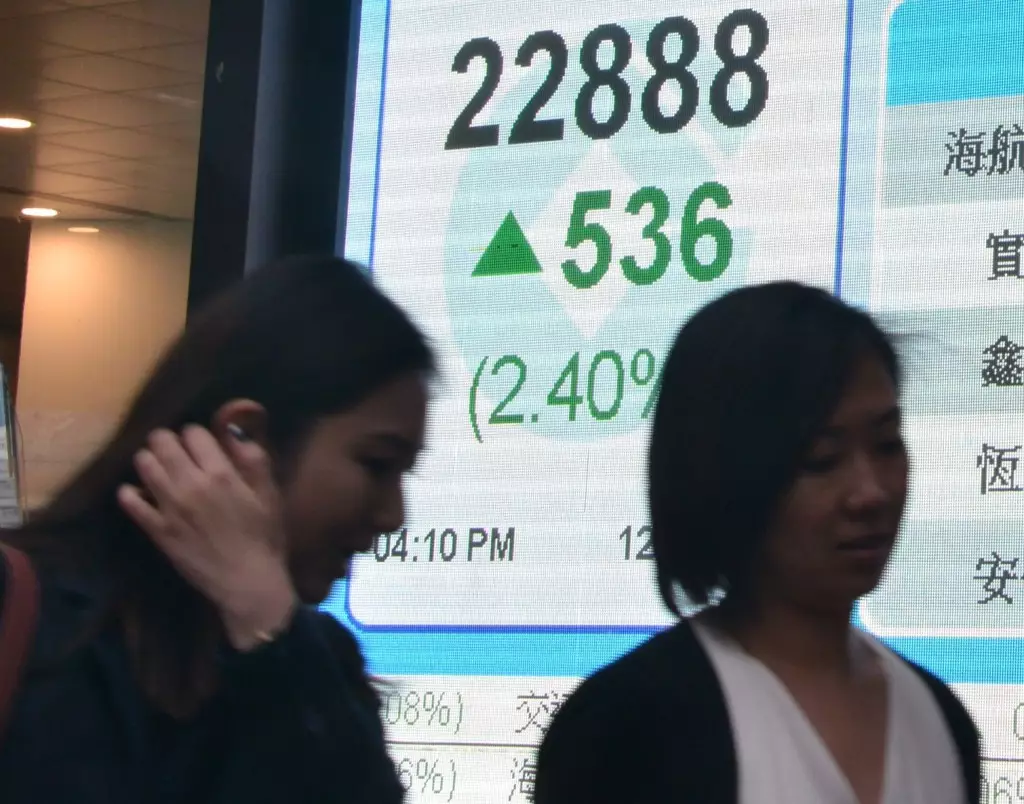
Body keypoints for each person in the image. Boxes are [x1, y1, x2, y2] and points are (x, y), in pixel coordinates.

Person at [0, 255, 434, 803]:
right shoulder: (31, 615)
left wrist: (265, 614)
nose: (394, 515)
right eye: (376, 464)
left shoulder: (314, 662)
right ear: (244, 435)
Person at [535, 282, 980, 804]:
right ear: (724, 475)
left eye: (887, 445)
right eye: (821, 460)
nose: (871, 492)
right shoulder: (628, 730)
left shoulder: (940, 720)